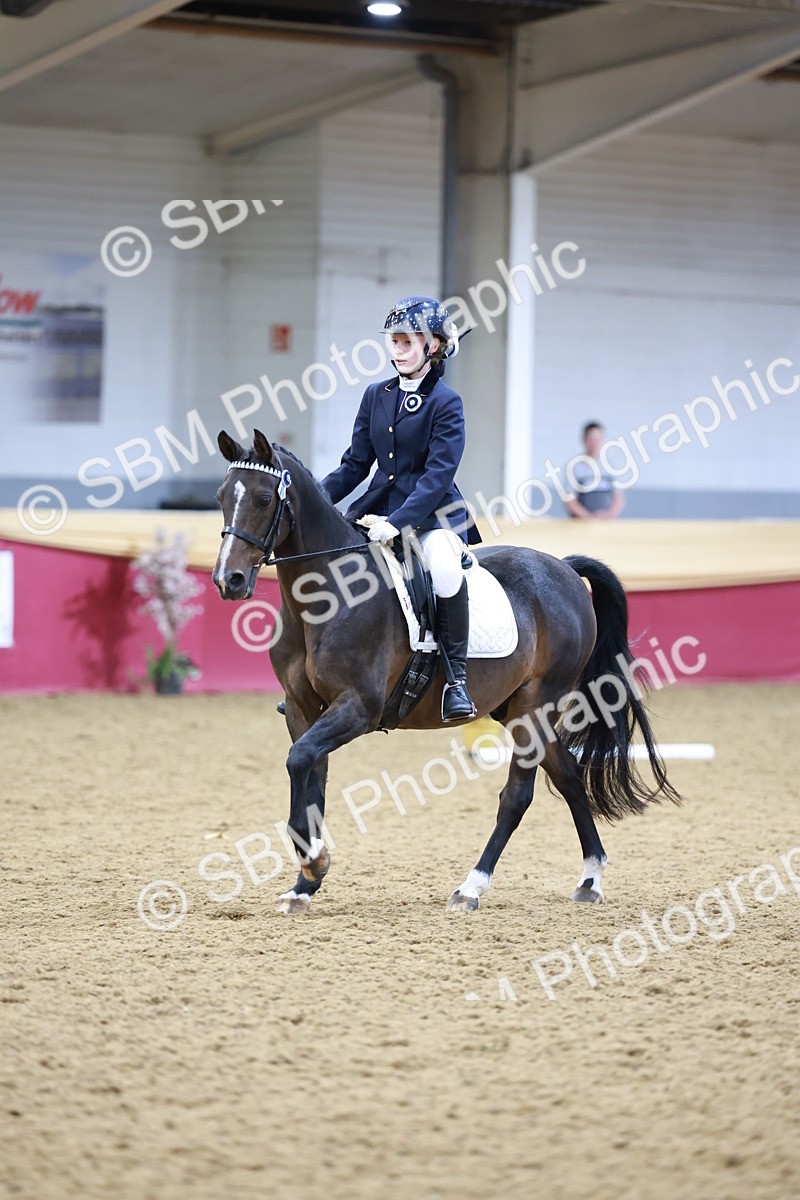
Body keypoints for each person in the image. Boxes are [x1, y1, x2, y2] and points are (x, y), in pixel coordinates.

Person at [321, 295, 482, 722]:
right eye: (393, 340)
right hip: (377, 512)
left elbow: (437, 476)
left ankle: (456, 680)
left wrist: (398, 523)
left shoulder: (447, 403)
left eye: (407, 341)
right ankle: (316, 672)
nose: (397, 349)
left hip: (433, 517)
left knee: (445, 569)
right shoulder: (376, 395)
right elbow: (355, 464)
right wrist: (315, 500)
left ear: (432, 346)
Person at [564, 421, 625, 520]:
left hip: (606, 524)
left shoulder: (610, 466)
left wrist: (608, 515)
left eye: (598, 439)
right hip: (582, 525)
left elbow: (619, 498)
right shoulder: (575, 467)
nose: (595, 442)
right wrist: (588, 517)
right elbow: (569, 500)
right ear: (584, 440)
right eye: (591, 439)